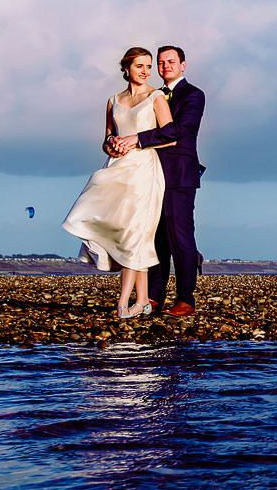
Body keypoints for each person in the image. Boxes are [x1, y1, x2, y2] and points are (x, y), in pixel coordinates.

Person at [63, 47, 170, 319]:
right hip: (116, 169)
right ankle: (143, 299)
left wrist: (136, 140)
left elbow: (170, 136)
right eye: (140, 66)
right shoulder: (113, 100)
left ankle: (124, 302)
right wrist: (111, 145)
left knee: (136, 233)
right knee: (125, 231)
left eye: (148, 66)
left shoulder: (156, 97)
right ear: (126, 69)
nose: (146, 71)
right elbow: (107, 138)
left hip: (144, 169)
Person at [107, 43, 206, 316]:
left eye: (171, 62)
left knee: (180, 237)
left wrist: (136, 139)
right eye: (160, 63)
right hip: (147, 173)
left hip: (179, 176)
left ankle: (186, 298)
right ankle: (153, 296)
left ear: (183, 65)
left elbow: (179, 130)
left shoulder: (194, 95)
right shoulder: (150, 95)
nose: (165, 67)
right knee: (153, 236)